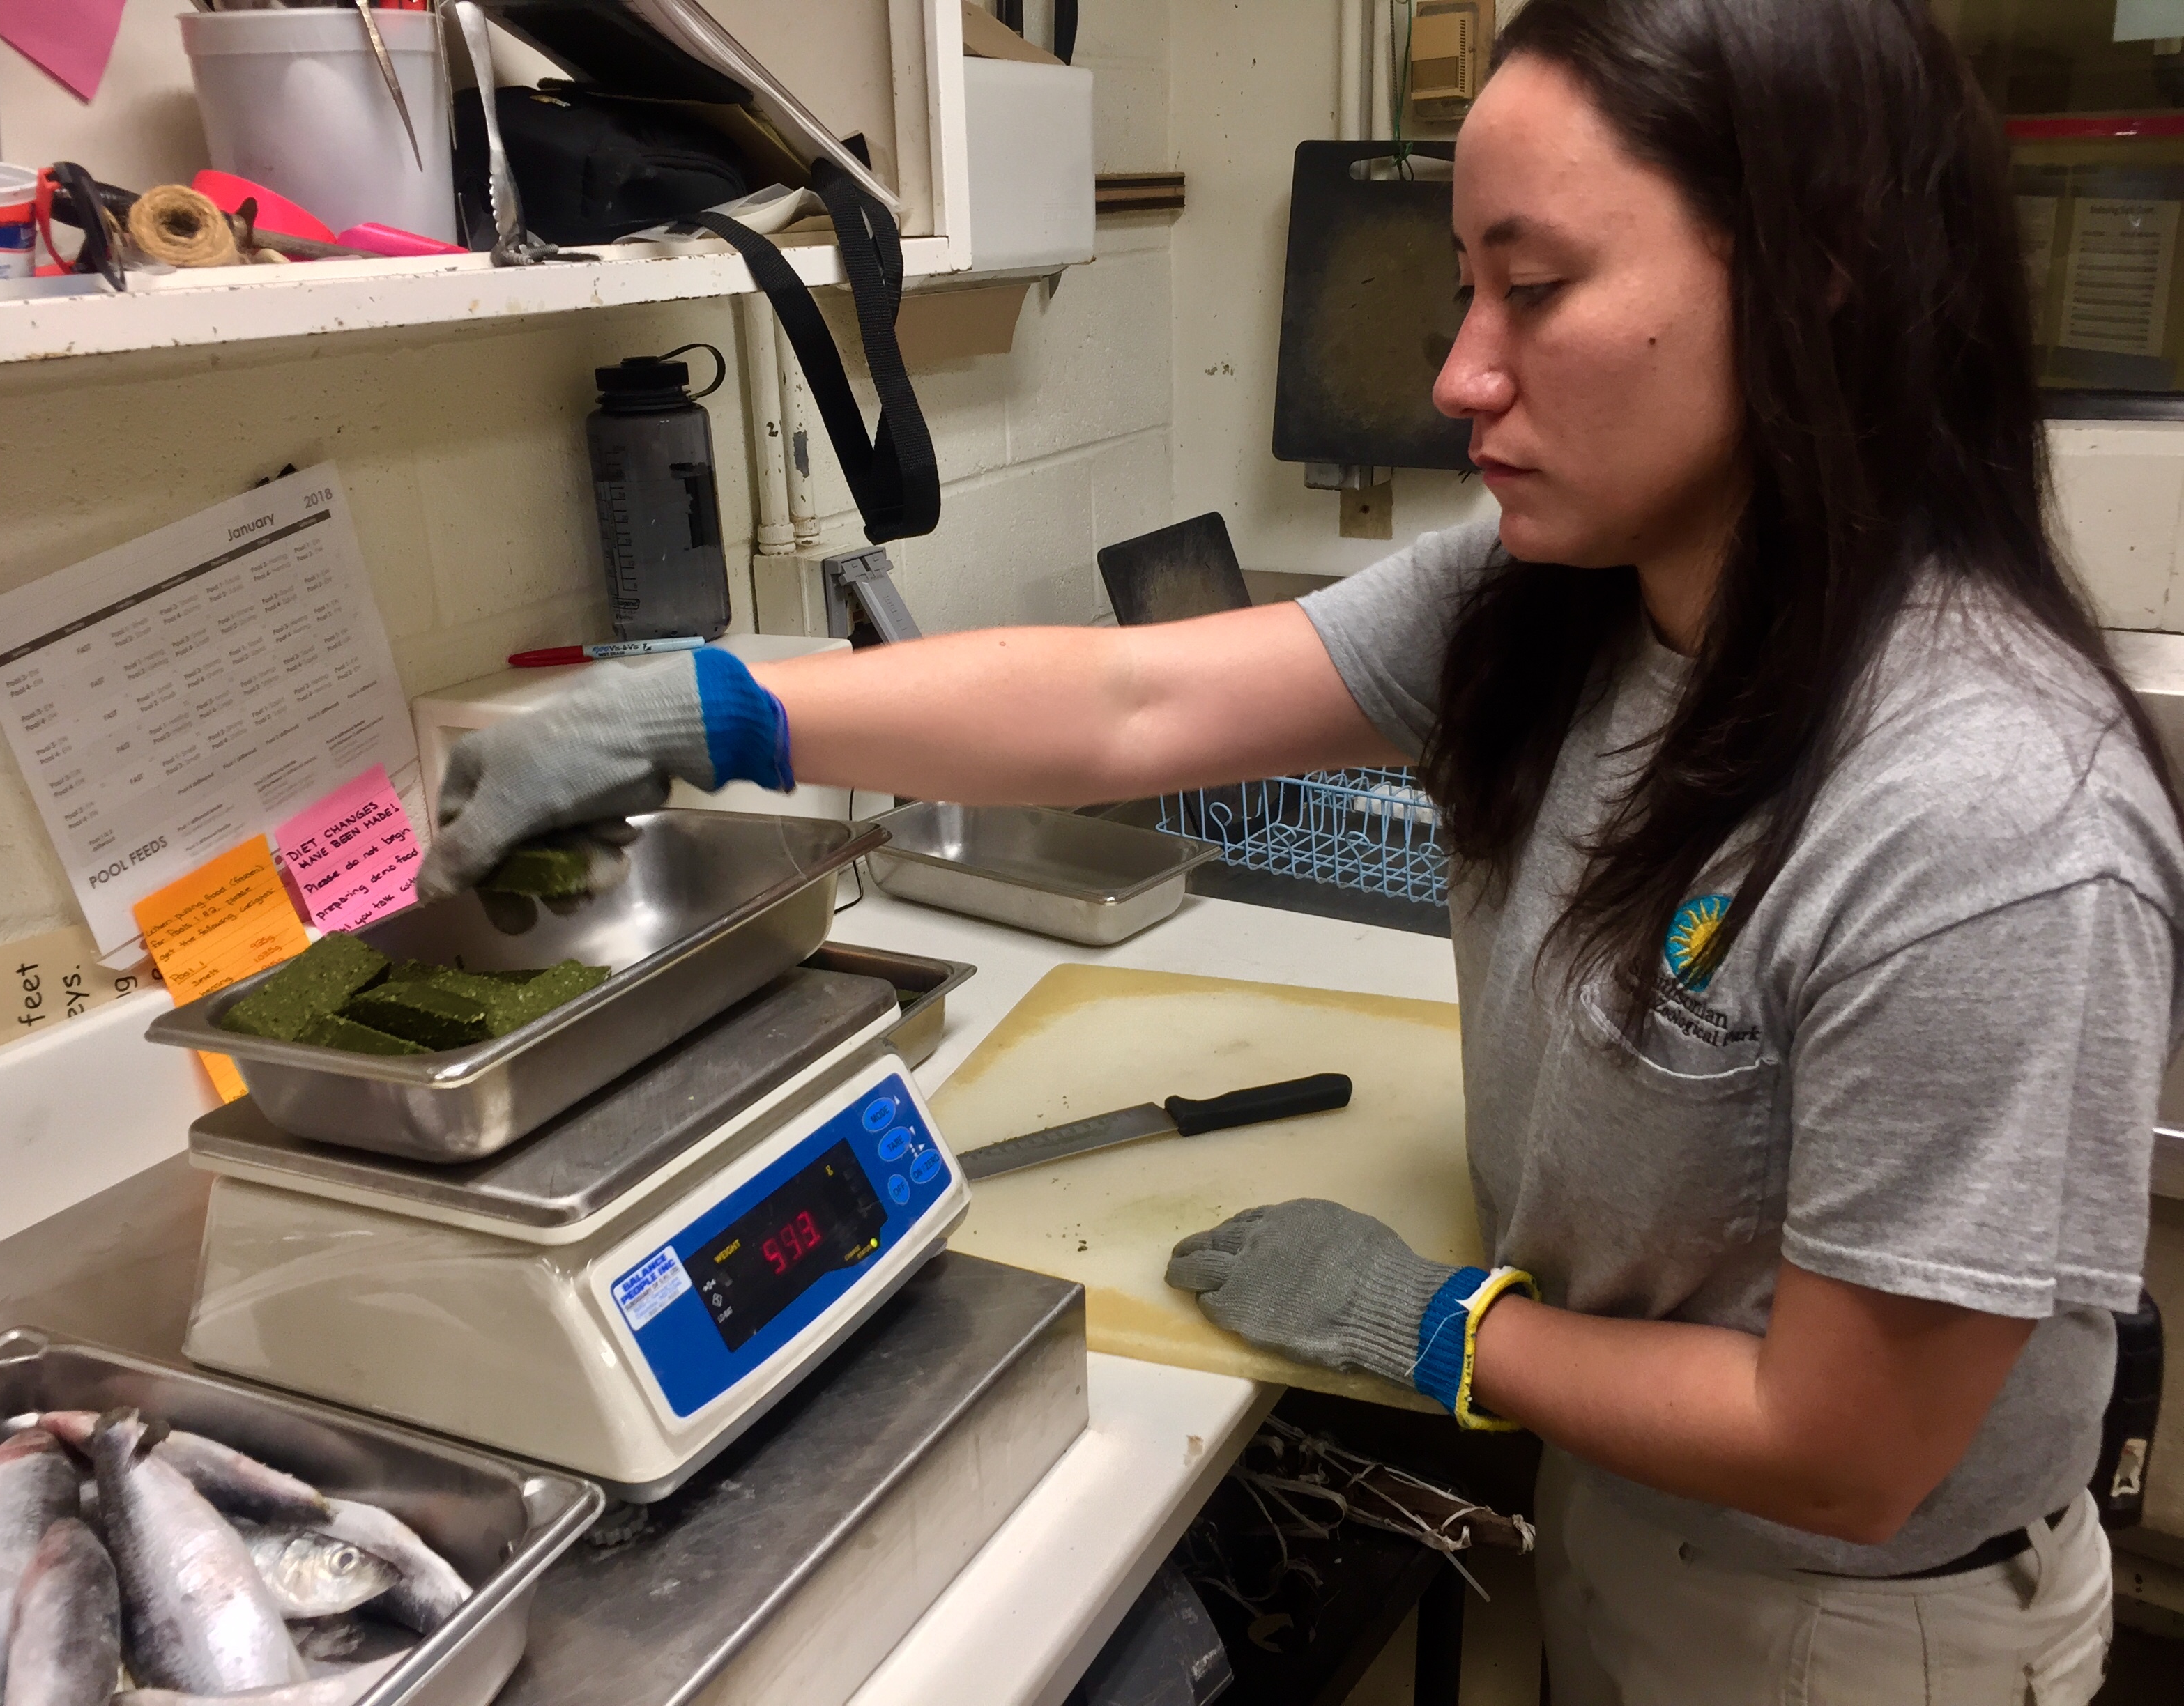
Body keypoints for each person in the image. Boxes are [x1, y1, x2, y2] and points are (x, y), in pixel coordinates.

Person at [418, 0, 2184, 1696]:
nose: (1459, 375)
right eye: (1465, 289)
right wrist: (707, 711)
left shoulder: (1984, 813)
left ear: (1820, 278)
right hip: (1634, 1501)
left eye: (1539, 289)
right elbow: (1135, 709)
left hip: (1855, 1624)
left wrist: (1439, 1331)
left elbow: (1849, 1450)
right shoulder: (1560, 598)